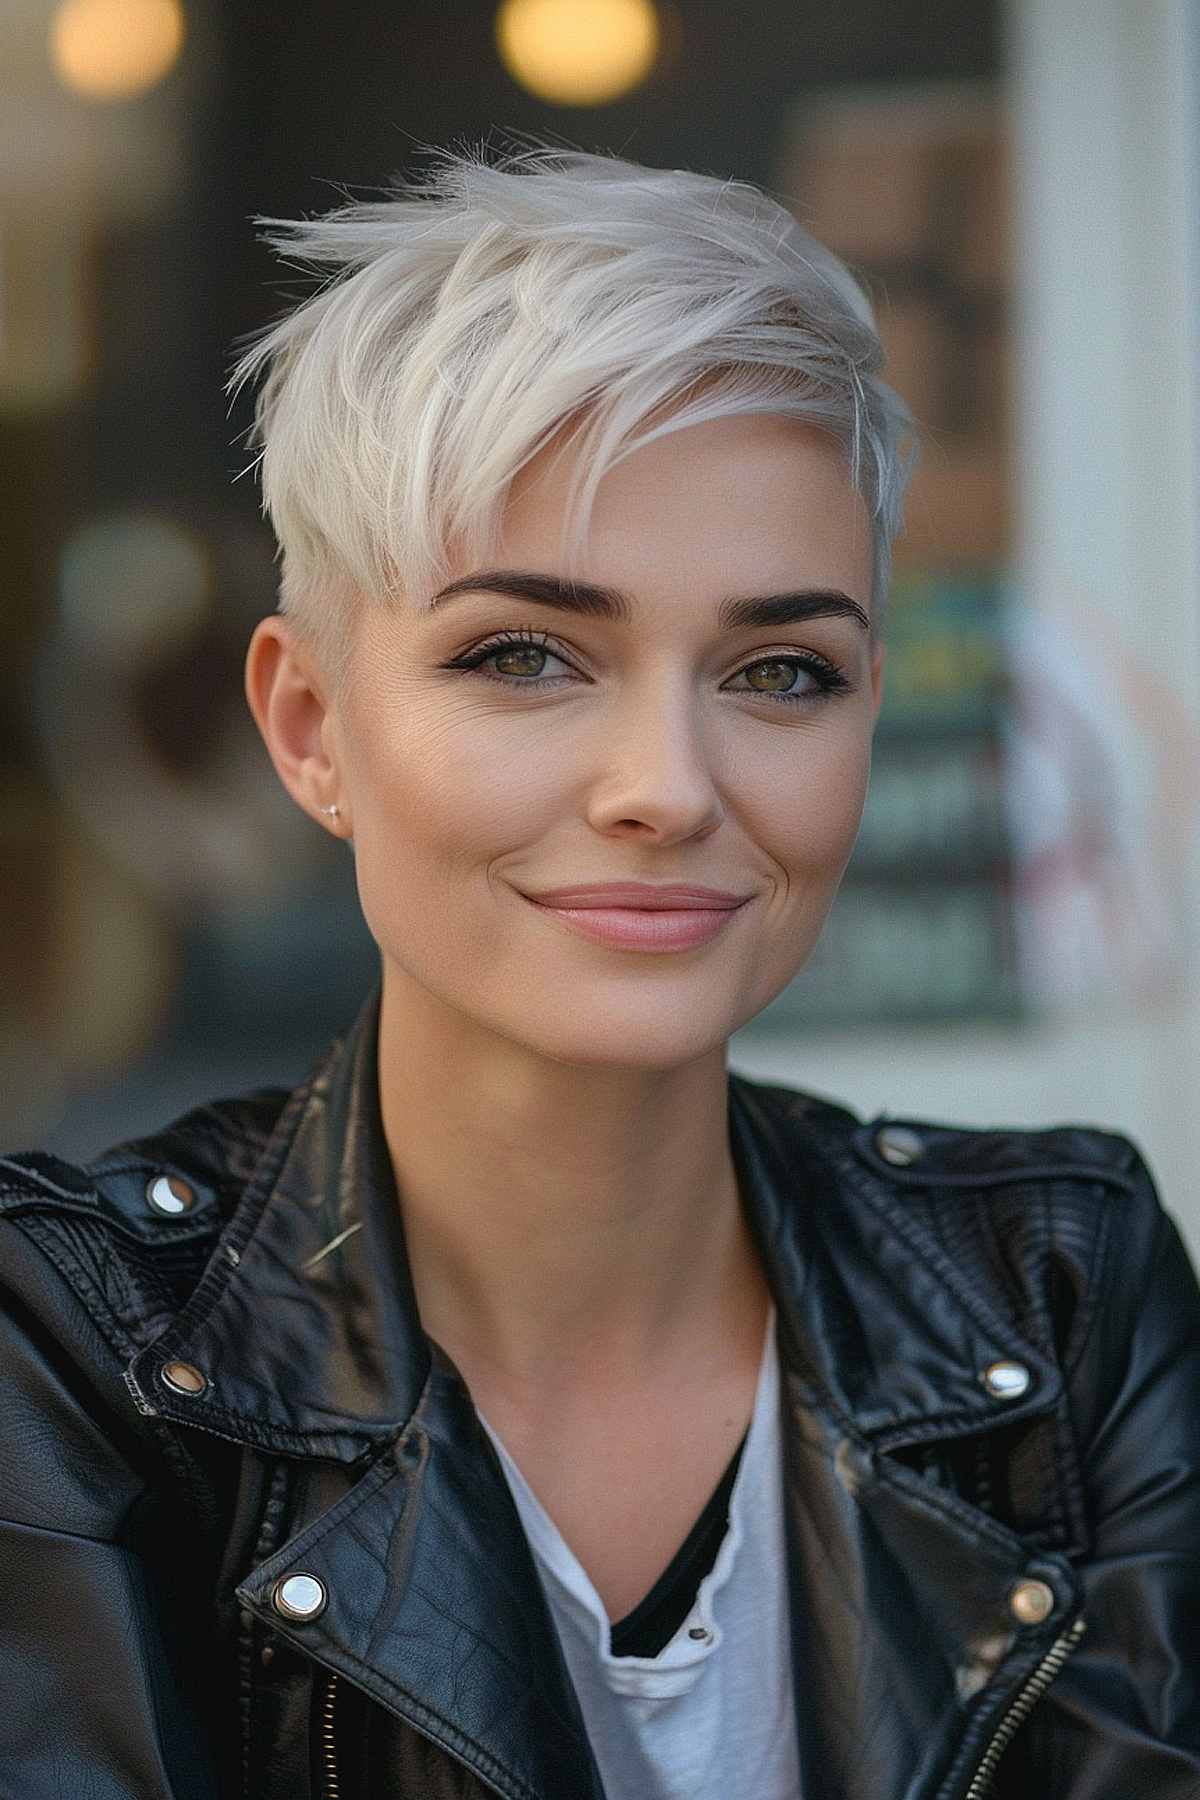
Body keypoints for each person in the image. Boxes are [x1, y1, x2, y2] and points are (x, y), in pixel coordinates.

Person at [3, 138, 1199, 1800]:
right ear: (311, 727)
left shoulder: (1058, 1291)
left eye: (784, 671)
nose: (670, 784)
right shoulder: (71, 1350)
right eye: (523, 654)